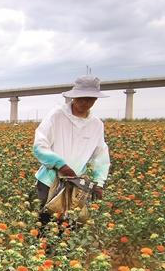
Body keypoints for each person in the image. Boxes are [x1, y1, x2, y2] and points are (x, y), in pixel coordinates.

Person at [33, 75, 111, 228]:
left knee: (71, 226)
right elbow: (39, 145)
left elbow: (100, 156)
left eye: (90, 99)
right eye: (82, 98)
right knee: (45, 225)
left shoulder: (96, 124)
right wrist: (60, 164)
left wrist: (99, 183)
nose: (85, 102)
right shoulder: (57, 116)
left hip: (76, 184)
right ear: (74, 96)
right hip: (49, 181)